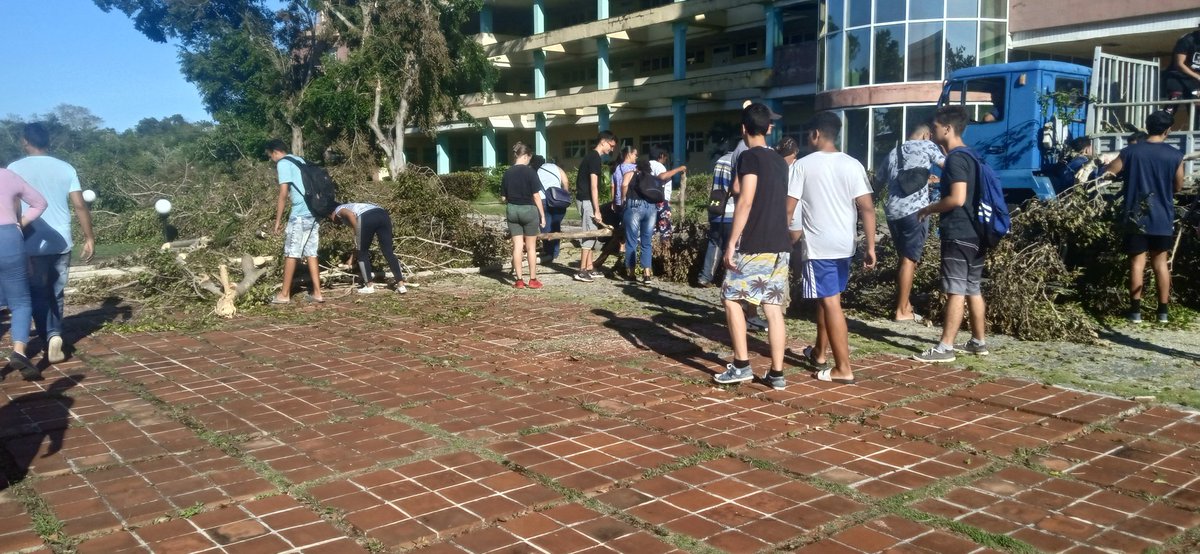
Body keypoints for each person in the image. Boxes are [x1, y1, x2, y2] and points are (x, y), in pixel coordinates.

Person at [713, 103, 793, 390]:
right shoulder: (779, 161)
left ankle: (742, 365)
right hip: (780, 244)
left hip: (756, 242)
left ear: (743, 129)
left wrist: (731, 242)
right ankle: (777, 373)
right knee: (773, 306)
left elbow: (744, 200)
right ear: (769, 128)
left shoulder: (749, 157)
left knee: (731, 298)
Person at [793, 112, 877, 385]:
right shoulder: (853, 164)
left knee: (830, 302)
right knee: (829, 297)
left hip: (819, 246)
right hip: (845, 244)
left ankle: (843, 367)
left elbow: (788, 208)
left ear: (816, 134)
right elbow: (866, 207)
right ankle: (819, 352)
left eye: (809, 134)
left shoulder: (802, 166)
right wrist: (871, 245)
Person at [8, 122, 96, 364]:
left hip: (29, 241)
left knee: (36, 291)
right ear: (48, 142)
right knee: (56, 292)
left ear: (25, 141)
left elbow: (14, 206)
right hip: (61, 241)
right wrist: (89, 237)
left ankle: (48, 336)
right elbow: (79, 205)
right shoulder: (66, 168)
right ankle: (55, 333)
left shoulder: (15, 168)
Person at [915, 106, 990, 362]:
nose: (932, 131)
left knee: (955, 289)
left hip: (959, 231)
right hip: (977, 232)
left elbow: (957, 198)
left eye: (935, 127)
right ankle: (978, 341)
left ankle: (945, 347)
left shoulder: (956, 159)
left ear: (947, 129)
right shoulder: (973, 156)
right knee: (972, 287)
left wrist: (929, 208)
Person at [1101, 110, 1185, 324]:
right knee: (1161, 263)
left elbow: (1108, 173)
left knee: (1137, 263)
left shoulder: (1131, 152)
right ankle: (1163, 313)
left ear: (1147, 127)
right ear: (1168, 130)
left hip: (1135, 217)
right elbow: (1178, 186)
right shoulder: (1175, 155)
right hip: (1162, 216)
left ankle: (1135, 312)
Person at [882, 124, 945, 322]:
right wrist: (943, 148)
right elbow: (951, 165)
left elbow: (881, 178)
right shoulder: (928, 146)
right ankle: (902, 310)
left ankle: (906, 303)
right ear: (927, 135)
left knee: (904, 258)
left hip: (893, 212)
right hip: (915, 211)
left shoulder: (894, 151)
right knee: (910, 260)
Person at [0, 168, 48, 380]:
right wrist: (21, 224)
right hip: (9, 239)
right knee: (20, 301)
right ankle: (19, 351)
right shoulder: (7, 175)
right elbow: (40, 203)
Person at [266, 139, 324, 304]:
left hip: (299, 214)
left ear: (275, 152)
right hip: (313, 212)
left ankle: (284, 294)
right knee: (311, 252)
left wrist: (277, 221)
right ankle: (317, 293)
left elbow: (283, 193)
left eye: (271, 156)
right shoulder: (299, 160)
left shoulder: (283, 163)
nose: (272, 159)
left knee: (291, 252)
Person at [328, 203, 408, 295]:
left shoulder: (338, 209)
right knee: (388, 251)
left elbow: (350, 216)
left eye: (331, 218)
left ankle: (369, 286)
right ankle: (401, 286)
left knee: (362, 253)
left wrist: (356, 232)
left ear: (332, 212)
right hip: (383, 214)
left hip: (367, 217)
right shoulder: (356, 207)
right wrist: (351, 258)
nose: (334, 221)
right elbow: (359, 243)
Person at [501, 142, 547, 289]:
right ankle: (533, 279)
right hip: (528, 210)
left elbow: (503, 198)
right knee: (531, 247)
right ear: (526, 156)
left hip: (512, 210)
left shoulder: (507, 173)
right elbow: (536, 196)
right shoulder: (530, 172)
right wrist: (542, 215)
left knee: (517, 247)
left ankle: (519, 280)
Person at [575, 131, 616, 282]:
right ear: (603, 142)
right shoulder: (594, 158)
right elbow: (594, 187)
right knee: (589, 234)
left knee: (591, 233)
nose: (611, 150)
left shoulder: (592, 157)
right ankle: (582, 270)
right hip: (587, 201)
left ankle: (590, 267)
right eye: (611, 146)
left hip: (585, 200)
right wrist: (597, 210)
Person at [697, 150, 735, 287]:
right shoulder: (740, 159)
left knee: (715, 243)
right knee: (733, 246)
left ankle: (705, 277)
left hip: (716, 208)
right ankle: (730, 281)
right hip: (732, 210)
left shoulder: (720, 160)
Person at [622, 159, 658, 284]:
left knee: (631, 242)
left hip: (634, 208)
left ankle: (632, 274)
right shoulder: (652, 178)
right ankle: (647, 274)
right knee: (646, 242)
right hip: (651, 209)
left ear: (637, 167)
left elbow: (624, 186)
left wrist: (623, 201)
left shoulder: (630, 174)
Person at [532, 155, 571, 263]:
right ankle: (555, 251)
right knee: (556, 226)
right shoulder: (555, 167)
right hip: (558, 200)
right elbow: (565, 181)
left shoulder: (535, 170)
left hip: (543, 200)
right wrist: (565, 193)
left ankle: (549, 252)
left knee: (545, 227)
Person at [648, 148, 687, 241]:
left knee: (650, 228)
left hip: (649, 200)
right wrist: (679, 169)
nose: (666, 160)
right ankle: (664, 249)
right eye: (665, 157)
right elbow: (662, 176)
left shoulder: (647, 164)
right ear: (661, 156)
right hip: (661, 200)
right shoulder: (658, 166)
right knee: (664, 228)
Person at [1163, 24, 1200, 115]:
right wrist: (1198, 77)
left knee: (1196, 104)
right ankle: (1162, 125)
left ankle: (1196, 128)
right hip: (1177, 76)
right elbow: (1179, 64)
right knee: (1175, 97)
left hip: (1193, 80)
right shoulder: (1187, 40)